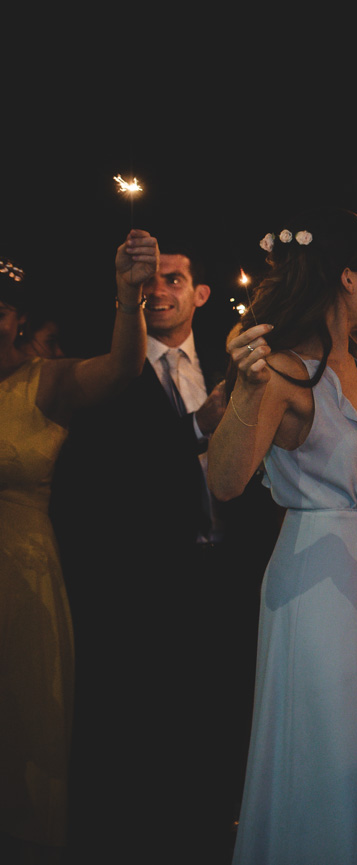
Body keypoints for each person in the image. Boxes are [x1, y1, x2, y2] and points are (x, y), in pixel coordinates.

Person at [210, 211, 357, 865]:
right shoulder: (283, 372)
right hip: (315, 599)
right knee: (324, 754)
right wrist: (248, 387)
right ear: (346, 277)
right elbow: (226, 480)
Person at [51, 245, 238, 856]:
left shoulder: (224, 367)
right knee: (151, 719)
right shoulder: (118, 371)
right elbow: (116, 469)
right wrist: (198, 428)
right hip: (152, 573)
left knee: (218, 710)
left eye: (174, 280)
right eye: (151, 281)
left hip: (226, 567)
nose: (159, 290)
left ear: (200, 294)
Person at [0, 234, 153, 860]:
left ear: (18, 319)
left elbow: (122, 368)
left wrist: (128, 295)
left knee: (22, 732)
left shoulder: (45, 382)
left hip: (22, 586)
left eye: (0, 309)